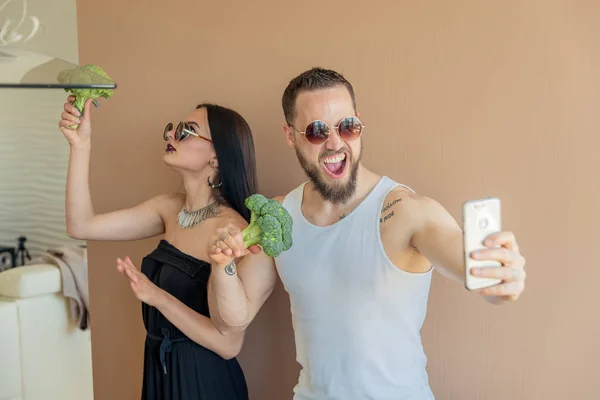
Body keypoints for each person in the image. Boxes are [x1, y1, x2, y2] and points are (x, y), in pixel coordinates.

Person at [205, 67, 527, 400]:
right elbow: (232, 320)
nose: (335, 142)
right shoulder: (280, 217)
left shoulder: (405, 211)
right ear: (290, 135)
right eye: (317, 131)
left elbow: (465, 264)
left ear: (359, 123)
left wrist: (498, 279)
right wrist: (222, 264)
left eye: (347, 126)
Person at [58, 96, 256, 400]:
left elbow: (228, 345)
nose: (171, 135)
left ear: (216, 158)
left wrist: (157, 297)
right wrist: (79, 146)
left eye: (187, 131)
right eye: (174, 129)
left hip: (203, 381)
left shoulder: (232, 231)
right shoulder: (168, 209)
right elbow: (81, 225)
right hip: (159, 370)